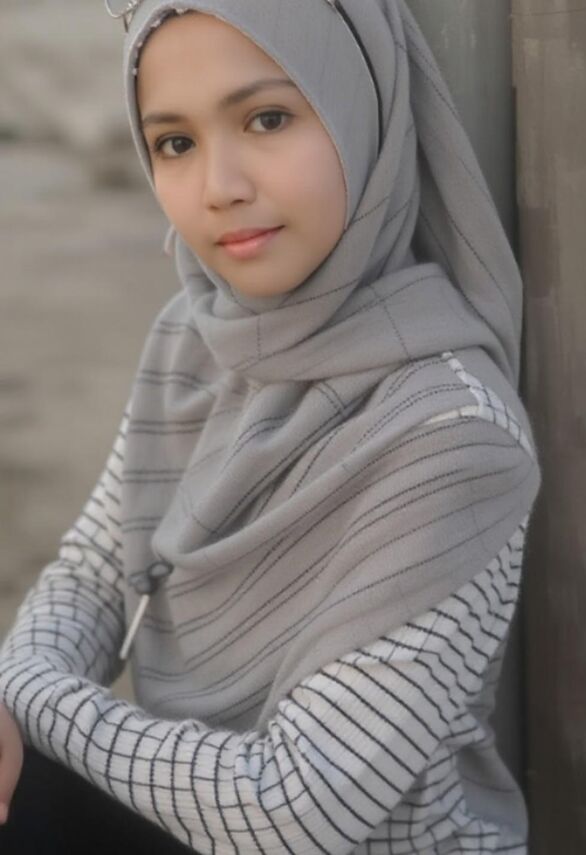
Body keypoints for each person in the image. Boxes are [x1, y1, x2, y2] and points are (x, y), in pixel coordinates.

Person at [0, 1, 541, 852]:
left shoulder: (453, 433)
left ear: (360, 111)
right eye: (175, 142)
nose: (219, 186)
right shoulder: (195, 340)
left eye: (267, 119)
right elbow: (98, 571)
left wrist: (26, 703)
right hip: (189, 816)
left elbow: (299, 806)